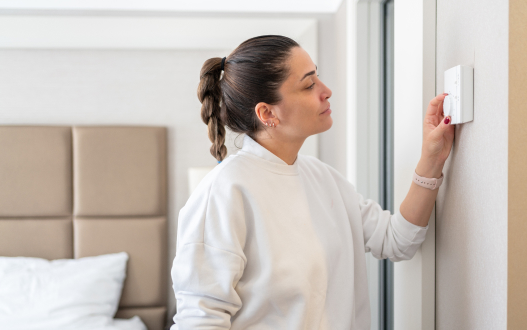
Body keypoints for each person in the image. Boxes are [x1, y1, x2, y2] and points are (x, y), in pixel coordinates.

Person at [170, 35, 454, 329]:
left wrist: (432, 160)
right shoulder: (224, 191)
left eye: (318, 77)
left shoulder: (324, 178)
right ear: (267, 113)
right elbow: (200, 321)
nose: (326, 91)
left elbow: (397, 241)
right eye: (309, 85)